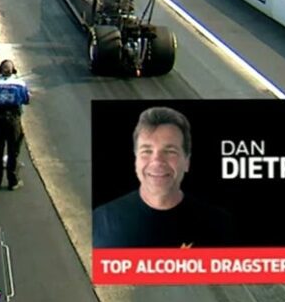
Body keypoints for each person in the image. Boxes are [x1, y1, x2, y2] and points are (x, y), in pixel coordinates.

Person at [92, 106, 236, 248]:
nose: (157, 161)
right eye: (147, 151)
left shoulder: (219, 224)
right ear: (135, 160)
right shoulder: (99, 220)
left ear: (187, 162)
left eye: (170, 151)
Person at [0, 59, 29, 190]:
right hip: (14, 120)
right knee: (13, 151)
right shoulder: (20, 84)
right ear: (13, 71)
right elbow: (26, 100)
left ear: (0, 70)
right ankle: (13, 181)